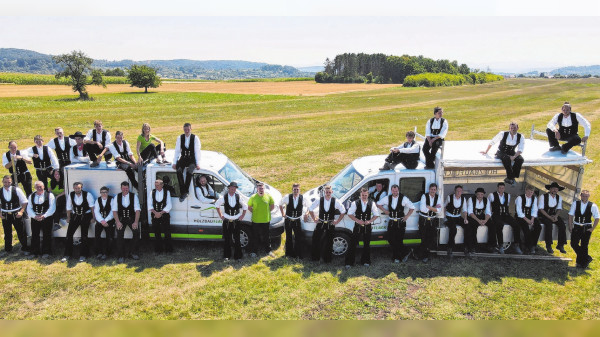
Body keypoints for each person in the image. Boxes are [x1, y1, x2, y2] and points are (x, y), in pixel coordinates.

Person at [377, 184, 415, 263]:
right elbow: (378, 204)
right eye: (393, 191)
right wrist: (385, 211)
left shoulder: (403, 198)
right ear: (391, 191)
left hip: (400, 222)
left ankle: (396, 258)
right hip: (391, 222)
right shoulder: (388, 198)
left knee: (399, 240)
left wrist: (407, 216)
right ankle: (406, 251)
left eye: (396, 191)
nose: (395, 192)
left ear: (398, 190)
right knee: (390, 239)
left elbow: (412, 207)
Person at [309, 185, 346, 263]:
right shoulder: (319, 200)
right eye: (326, 192)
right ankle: (315, 258)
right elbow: (311, 209)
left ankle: (327, 259)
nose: (328, 193)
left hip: (330, 224)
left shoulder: (335, 201)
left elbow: (343, 211)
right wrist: (314, 219)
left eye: (329, 192)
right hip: (321, 222)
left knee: (329, 241)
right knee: (316, 239)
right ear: (324, 192)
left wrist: (337, 221)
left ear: (332, 192)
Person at [345, 187, 380, 268]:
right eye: (363, 195)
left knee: (367, 244)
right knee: (353, 244)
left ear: (368, 195)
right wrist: (357, 220)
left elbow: (376, 215)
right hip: (358, 226)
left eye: (365, 195)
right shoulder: (355, 203)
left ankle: (366, 261)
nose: (364, 196)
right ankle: (349, 262)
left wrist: (369, 221)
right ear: (360, 195)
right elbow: (350, 214)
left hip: (367, 227)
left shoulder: (372, 203)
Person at [63, 181, 95, 262]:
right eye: (76, 188)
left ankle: (83, 255)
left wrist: (93, 217)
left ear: (81, 188)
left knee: (84, 235)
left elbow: (92, 207)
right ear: (73, 188)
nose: (77, 189)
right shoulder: (71, 194)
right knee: (69, 234)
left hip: (85, 215)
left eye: (79, 188)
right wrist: (68, 217)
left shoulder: (87, 194)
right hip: (76, 215)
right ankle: (67, 254)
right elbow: (68, 207)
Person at [215, 182, 247, 261]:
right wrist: (221, 216)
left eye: (235, 188)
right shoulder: (224, 197)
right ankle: (227, 256)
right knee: (227, 238)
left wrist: (242, 216)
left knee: (237, 238)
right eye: (232, 188)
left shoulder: (238, 196)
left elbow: (245, 206)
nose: (233, 189)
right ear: (229, 188)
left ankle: (238, 256)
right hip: (227, 221)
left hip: (236, 221)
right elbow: (217, 205)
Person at [112, 181, 141, 263]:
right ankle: (121, 255)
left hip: (131, 218)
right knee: (119, 235)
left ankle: (133, 252)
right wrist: (117, 222)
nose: (125, 190)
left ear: (129, 188)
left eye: (127, 188)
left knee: (136, 233)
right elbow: (114, 211)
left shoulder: (134, 196)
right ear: (121, 188)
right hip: (121, 219)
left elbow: (137, 210)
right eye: (124, 188)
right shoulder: (117, 197)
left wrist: (135, 222)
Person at [0, 175, 29, 256]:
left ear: (11, 182)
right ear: (2, 182)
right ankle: (8, 249)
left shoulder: (17, 190)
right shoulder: (0, 191)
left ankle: (25, 248)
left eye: (8, 182)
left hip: (16, 214)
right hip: (5, 215)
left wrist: (21, 212)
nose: (7, 183)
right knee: (7, 233)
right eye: (5, 182)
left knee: (21, 232)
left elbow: (24, 202)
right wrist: (0, 214)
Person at [488, 182, 520, 254]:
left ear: (504, 188)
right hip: (496, 214)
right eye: (500, 188)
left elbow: (507, 205)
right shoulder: (492, 195)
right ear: (497, 188)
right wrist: (490, 215)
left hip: (505, 214)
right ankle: (501, 245)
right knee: (499, 225)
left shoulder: (507, 195)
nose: (501, 189)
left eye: (503, 188)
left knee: (516, 225)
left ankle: (516, 244)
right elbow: (488, 205)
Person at [569, 190, 598, 268]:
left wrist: (592, 228)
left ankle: (581, 263)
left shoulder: (593, 205)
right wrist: (570, 225)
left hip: (587, 227)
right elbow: (570, 215)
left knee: (584, 245)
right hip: (577, 226)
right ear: (580, 196)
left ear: (589, 196)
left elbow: (597, 218)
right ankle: (586, 258)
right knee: (573, 244)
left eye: (586, 196)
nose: (585, 197)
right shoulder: (575, 203)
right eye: (583, 195)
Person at [172, 123, 201, 201]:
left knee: (189, 172)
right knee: (178, 171)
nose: (187, 131)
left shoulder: (195, 138)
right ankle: (183, 192)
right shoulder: (180, 138)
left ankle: (186, 190)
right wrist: (174, 162)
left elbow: (197, 151)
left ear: (191, 129)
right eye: (185, 129)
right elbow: (177, 151)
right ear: (183, 129)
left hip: (192, 159)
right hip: (183, 158)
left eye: (188, 129)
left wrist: (197, 163)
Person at [26, 181, 55, 258]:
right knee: (35, 235)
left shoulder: (49, 195)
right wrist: (34, 216)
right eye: (37, 187)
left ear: (44, 187)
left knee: (47, 235)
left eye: (40, 186)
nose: (39, 188)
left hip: (46, 218)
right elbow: (29, 207)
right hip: (35, 218)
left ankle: (46, 252)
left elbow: (52, 207)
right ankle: (35, 252)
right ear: (35, 187)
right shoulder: (31, 196)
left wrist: (44, 216)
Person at [279, 183, 308, 259]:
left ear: (299, 190)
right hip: (288, 220)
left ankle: (297, 254)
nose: (296, 191)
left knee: (298, 237)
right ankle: (289, 254)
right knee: (289, 237)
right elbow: (280, 204)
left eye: (297, 189)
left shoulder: (303, 198)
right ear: (292, 190)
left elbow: (309, 207)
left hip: (297, 220)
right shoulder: (287, 197)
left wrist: (306, 214)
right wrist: (283, 214)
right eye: (294, 189)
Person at [247, 182, 276, 258]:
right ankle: (254, 251)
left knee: (266, 236)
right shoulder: (253, 197)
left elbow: (272, 206)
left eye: (262, 188)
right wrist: (256, 212)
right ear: (257, 189)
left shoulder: (268, 197)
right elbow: (249, 207)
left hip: (266, 220)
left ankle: (268, 250)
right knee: (255, 236)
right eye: (259, 188)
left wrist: (266, 211)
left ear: (264, 189)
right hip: (256, 221)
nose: (261, 189)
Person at [538, 182, 567, 254]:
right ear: (550, 189)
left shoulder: (559, 197)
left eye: (556, 189)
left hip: (553, 214)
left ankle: (560, 245)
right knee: (549, 225)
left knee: (562, 225)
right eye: (553, 188)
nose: (554, 190)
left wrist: (556, 216)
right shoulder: (543, 196)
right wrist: (549, 217)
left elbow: (559, 208)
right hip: (544, 215)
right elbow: (541, 209)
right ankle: (548, 245)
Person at [417, 183, 441, 262]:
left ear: (436, 190)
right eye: (431, 189)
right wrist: (434, 208)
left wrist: (429, 207)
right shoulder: (424, 196)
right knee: (423, 238)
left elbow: (439, 210)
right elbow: (422, 209)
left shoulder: (438, 197)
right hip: (423, 220)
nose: (433, 191)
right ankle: (421, 255)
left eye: (434, 190)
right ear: (429, 189)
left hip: (432, 221)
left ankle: (425, 255)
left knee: (430, 239)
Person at [515, 185, 542, 254]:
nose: (530, 194)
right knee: (525, 227)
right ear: (526, 190)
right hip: (520, 217)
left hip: (530, 216)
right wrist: (527, 220)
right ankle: (528, 246)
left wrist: (532, 219)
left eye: (532, 192)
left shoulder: (534, 198)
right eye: (529, 192)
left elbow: (534, 209)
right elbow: (519, 211)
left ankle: (533, 244)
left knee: (538, 227)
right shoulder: (520, 198)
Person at [466, 187, 493, 255]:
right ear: (476, 194)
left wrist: (486, 220)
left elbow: (488, 212)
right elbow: (470, 212)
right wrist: (478, 221)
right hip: (474, 217)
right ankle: (473, 246)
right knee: (472, 226)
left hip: (482, 216)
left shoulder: (486, 200)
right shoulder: (471, 199)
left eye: (481, 194)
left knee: (492, 225)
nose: (480, 196)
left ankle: (490, 245)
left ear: (483, 194)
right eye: (478, 194)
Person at [444, 185, 468, 258]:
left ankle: (465, 247)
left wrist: (465, 218)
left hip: (457, 216)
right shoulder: (449, 197)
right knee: (453, 229)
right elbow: (444, 206)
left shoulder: (463, 199)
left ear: (462, 192)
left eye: (460, 191)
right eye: (457, 191)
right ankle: (450, 247)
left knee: (467, 227)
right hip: (449, 216)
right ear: (455, 191)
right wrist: (444, 217)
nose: (459, 192)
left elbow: (464, 210)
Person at [149, 179, 173, 254]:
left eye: (158, 185)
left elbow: (169, 204)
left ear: (162, 185)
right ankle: (158, 250)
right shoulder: (152, 192)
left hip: (164, 214)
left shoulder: (167, 192)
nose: (156, 186)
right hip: (155, 215)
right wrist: (155, 213)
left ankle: (168, 250)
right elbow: (149, 204)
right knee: (157, 232)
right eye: (155, 185)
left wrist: (161, 213)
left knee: (167, 232)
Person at [93, 186, 115, 260]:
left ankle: (106, 253)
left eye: (105, 192)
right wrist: (102, 221)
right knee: (97, 236)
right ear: (100, 193)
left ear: (108, 192)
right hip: (100, 220)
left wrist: (106, 220)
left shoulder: (111, 199)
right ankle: (99, 252)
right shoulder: (98, 200)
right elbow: (96, 212)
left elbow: (113, 211)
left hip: (109, 220)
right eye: (102, 192)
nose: (104, 194)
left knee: (109, 237)